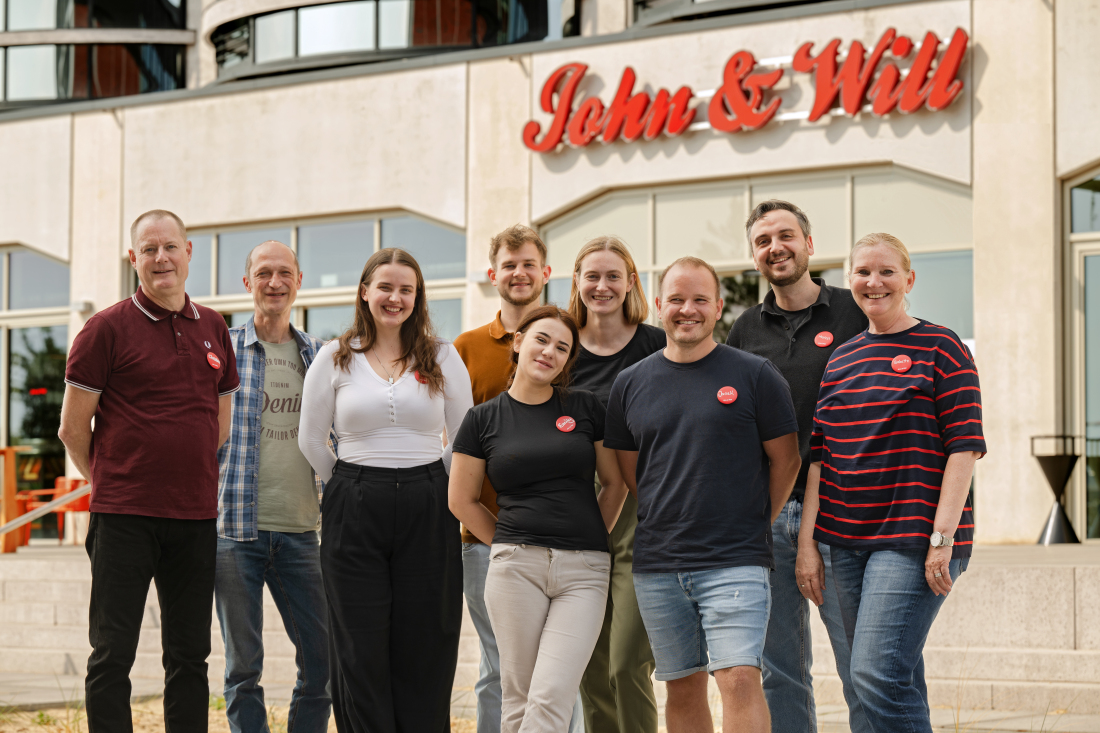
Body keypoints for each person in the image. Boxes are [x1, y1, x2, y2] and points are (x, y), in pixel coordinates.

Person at [59, 209, 240, 733]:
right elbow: (73, 429)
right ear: (133, 259)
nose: (161, 258)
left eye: (170, 247)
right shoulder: (105, 329)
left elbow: (218, 426)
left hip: (194, 517)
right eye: (149, 249)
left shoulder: (212, 327)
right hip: (123, 519)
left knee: (189, 656)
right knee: (113, 653)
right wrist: (113, 480)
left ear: (188, 252)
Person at [604, 256, 801, 733]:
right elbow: (635, 476)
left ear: (717, 309)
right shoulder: (630, 384)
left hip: (735, 559)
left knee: (739, 678)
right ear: (657, 305)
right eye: (676, 299)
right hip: (659, 566)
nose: (686, 309)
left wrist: (755, 519)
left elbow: (787, 460)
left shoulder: (756, 375)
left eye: (698, 300)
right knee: (682, 684)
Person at [796, 233, 984, 733]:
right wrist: (808, 544)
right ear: (849, 281)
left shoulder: (941, 346)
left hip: (912, 539)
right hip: (843, 539)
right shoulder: (842, 359)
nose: (873, 282)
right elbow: (820, 460)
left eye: (885, 272)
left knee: (875, 671)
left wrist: (943, 539)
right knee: (881, 678)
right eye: (862, 272)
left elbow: (964, 448)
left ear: (908, 280)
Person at [297, 247, 473, 733]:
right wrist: (354, 485)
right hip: (353, 501)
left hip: (429, 501)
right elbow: (311, 439)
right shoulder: (335, 357)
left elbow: (463, 437)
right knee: (358, 645)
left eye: (406, 290)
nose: (395, 298)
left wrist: (426, 481)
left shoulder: (442, 355)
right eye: (386, 287)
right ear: (365, 292)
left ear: (417, 297)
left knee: (426, 641)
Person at [449, 305, 628, 733]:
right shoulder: (482, 419)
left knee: (550, 697)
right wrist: (508, 542)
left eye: (562, 347)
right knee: (518, 701)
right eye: (542, 339)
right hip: (515, 570)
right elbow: (461, 499)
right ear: (518, 342)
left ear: (568, 360)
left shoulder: (585, 407)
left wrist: (588, 536)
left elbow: (615, 484)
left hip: (584, 573)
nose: (550, 352)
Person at [726, 201, 870, 733]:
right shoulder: (744, 329)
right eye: (763, 241)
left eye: (785, 235)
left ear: (809, 244)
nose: (775, 248)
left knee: (863, 664)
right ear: (754, 255)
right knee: (781, 669)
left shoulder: (854, 311)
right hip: (767, 517)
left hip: (840, 515)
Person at [215, 240, 330, 733]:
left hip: (303, 530)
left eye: (284, 272)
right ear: (248, 283)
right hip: (234, 531)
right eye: (263, 273)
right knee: (243, 668)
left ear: (299, 281)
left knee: (323, 661)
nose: (274, 282)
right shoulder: (221, 352)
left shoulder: (322, 358)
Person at [453, 224, 564, 733]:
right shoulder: (466, 349)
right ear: (493, 274)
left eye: (529, 264)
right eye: (509, 264)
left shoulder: (567, 341)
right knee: (499, 666)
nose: (520, 273)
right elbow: (453, 444)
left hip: (564, 539)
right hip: (487, 538)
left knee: (558, 667)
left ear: (546, 272)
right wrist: (488, 532)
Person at [568, 237, 663, 733]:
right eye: (592, 276)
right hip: (574, 511)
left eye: (612, 276)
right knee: (589, 667)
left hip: (641, 514)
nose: (601, 286)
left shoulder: (655, 344)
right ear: (577, 282)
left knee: (627, 664)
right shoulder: (560, 345)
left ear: (630, 282)